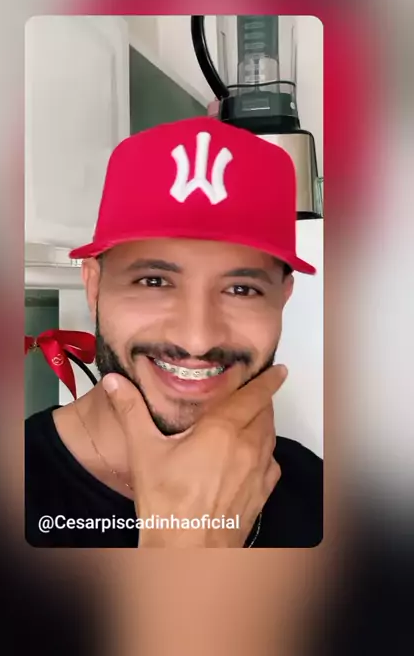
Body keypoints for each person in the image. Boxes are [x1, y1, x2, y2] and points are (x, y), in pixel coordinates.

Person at [25, 116, 322, 548]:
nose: (197, 339)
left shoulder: (320, 496)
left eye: (242, 289)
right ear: (94, 287)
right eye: (154, 281)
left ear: (283, 298)